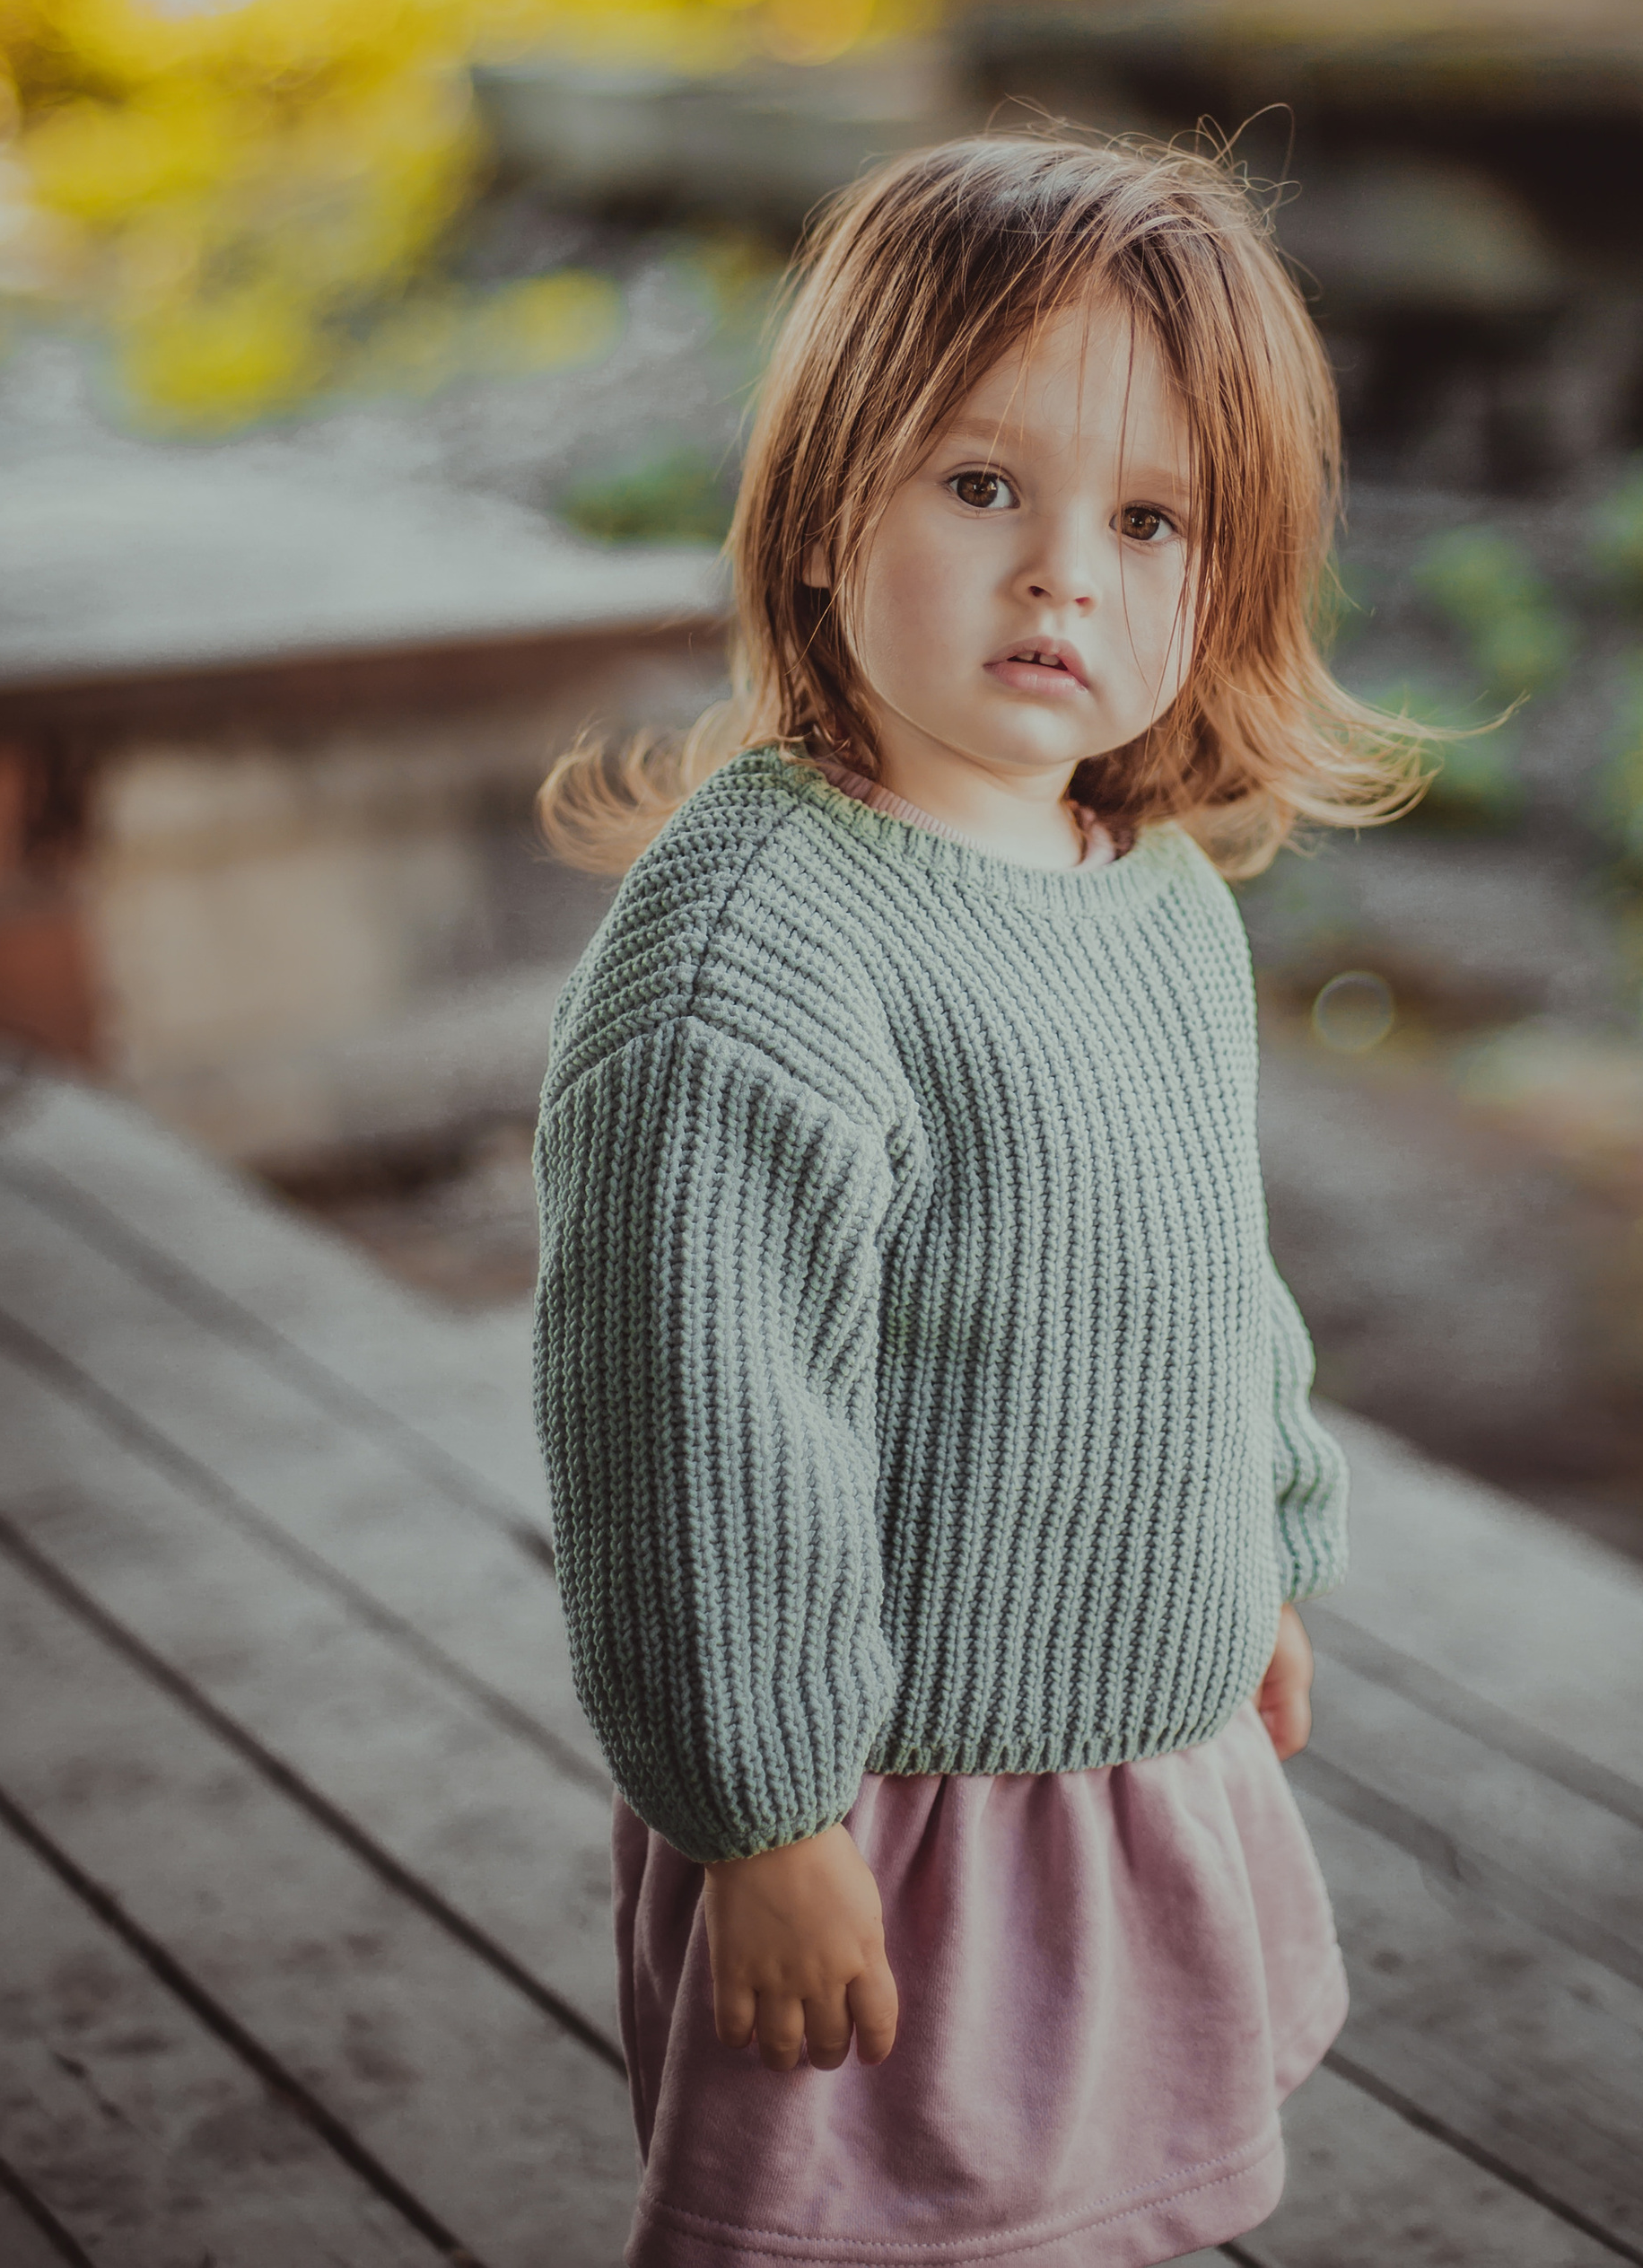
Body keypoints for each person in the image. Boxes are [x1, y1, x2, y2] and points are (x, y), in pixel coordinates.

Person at [532, 134, 1429, 2268]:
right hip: (894, 1807)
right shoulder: (750, 958)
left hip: (1139, 1751)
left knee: (1114, 2213)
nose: (1062, 579)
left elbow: (1207, 1274)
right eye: (979, 487)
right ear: (832, 495)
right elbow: (695, 1431)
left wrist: (1262, 1547)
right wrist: (761, 1818)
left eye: (1145, 522)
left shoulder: (1150, 896)